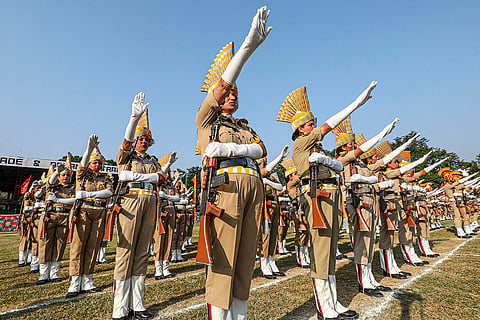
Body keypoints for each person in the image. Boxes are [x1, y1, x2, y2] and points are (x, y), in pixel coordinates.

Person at [278, 81, 379, 319]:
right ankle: (325, 306)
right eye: (309, 124)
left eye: (313, 123)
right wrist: (356, 104)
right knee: (322, 249)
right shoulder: (300, 144)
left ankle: (333, 302)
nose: (314, 126)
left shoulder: (320, 150)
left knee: (331, 248)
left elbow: (346, 159)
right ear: (301, 129)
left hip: (330, 195)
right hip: (316, 196)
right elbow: (327, 127)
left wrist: (379, 137)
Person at [195, 6, 271, 319]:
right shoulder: (206, 119)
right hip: (225, 190)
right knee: (224, 261)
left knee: (244, 261)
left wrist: (227, 149)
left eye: (235, 95)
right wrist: (248, 45)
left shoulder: (244, 126)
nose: (232, 97)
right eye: (227, 94)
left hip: (253, 189)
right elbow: (222, 87)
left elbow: (262, 149)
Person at [112, 93, 165, 320]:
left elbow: (161, 177)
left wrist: (142, 176)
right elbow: (123, 171)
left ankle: (138, 304)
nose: (142, 141)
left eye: (146, 139)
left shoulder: (153, 160)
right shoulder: (126, 155)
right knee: (126, 252)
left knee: (142, 253)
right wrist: (134, 118)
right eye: (140, 138)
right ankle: (120, 308)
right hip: (130, 203)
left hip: (149, 204)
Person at [332, 117, 398, 298]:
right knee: (362, 242)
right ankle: (363, 282)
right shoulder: (343, 161)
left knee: (370, 243)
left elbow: (377, 172)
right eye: (351, 143)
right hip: (357, 204)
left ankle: (369, 278)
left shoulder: (360, 165)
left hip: (369, 203)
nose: (354, 145)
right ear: (343, 147)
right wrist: (382, 133)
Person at [67, 135, 113, 298]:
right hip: (83, 212)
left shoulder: (105, 177)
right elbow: (82, 164)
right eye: (95, 162)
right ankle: (75, 281)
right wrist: (89, 148)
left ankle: (87, 279)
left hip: (99, 213)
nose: (98, 165)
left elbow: (109, 192)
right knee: (78, 247)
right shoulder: (83, 175)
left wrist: (87, 193)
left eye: (100, 162)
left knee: (93, 247)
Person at [37, 154, 75, 285]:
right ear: (59, 176)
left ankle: (54, 273)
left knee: (60, 244)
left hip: (64, 216)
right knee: (45, 244)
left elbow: (75, 200)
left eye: (67, 175)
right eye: (63, 175)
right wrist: (57, 171)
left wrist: (58, 200)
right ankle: (43, 273)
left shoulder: (73, 188)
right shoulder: (53, 186)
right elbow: (49, 182)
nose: (65, 177)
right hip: (50, 216)